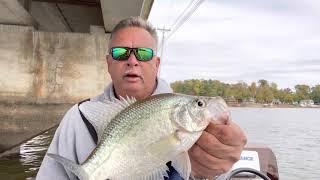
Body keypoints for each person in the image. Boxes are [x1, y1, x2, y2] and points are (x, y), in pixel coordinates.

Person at [36, 16, 246, 180]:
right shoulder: (79, 117)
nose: (133, 61)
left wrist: (209, 172)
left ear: (157, 64)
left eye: (144, 54)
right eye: (121, 53)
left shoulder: (201, 127)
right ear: (108, 62)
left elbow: (206, 169)